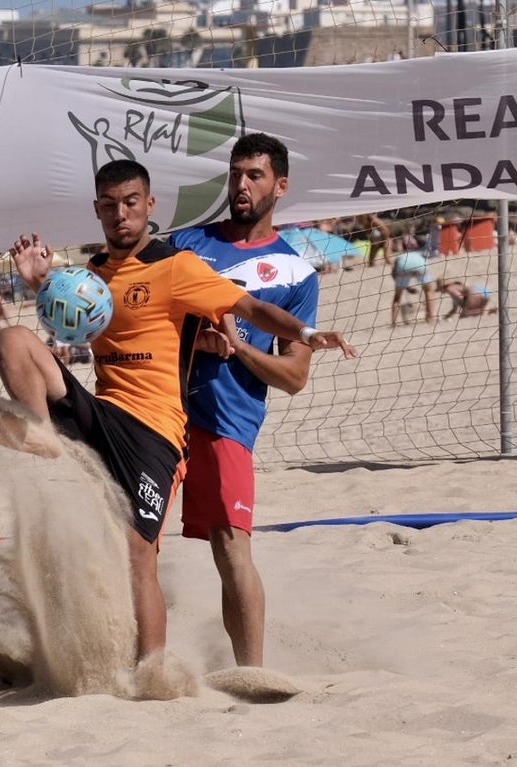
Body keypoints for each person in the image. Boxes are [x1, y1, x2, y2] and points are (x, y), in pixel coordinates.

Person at [0, 158, 357, 664]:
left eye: (130, 203)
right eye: (109, 205)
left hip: (155, 431)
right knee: (12, 339)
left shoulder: (177, 266)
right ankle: (41, 436)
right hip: (104, 411)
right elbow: (77, 318)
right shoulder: (91, 274)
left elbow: (251, 309)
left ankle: (154, 672)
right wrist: (41, 283)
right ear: (96, 210)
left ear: (149, 205)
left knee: (141, 554)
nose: (121, 214)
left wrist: (308, 334)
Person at [163, 133, 320, 667]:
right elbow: (149, 319)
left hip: (228, 421)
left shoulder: (296, 272)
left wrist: (237, 347)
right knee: (134, 541)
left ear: (281, 186)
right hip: (162, 410)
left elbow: (294, 377)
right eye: (235, 174)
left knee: (231, 548)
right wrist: (194, 340)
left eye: (254, 175)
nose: (241, 185)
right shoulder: (185, 244)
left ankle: (251, 674)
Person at [388, 249, 438, 326]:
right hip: (420, 265)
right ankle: (430, 317)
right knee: (429, 291)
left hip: (403, 266)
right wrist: (407, 288)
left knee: (397, 297)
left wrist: (405, 287)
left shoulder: (399, 257)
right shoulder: (419, 253)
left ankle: (394, 322)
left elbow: (394, 274)